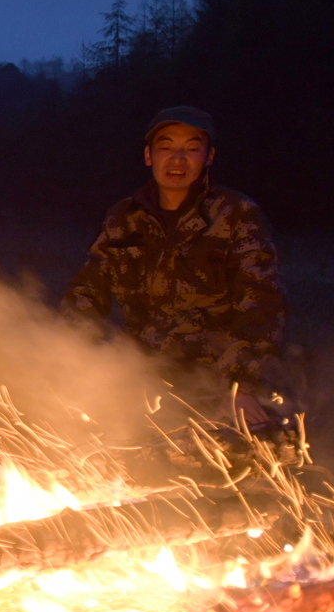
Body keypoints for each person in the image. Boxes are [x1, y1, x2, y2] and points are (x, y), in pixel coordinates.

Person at [61, 106, 287, 423]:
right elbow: (85, 293)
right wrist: (81, 360)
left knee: (245, 446)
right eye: (166, 147)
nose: (177, 159)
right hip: (144, 383)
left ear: (208, 157)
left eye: (191, 149)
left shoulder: (237, 214)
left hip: (219, 386)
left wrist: (242, 385)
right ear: (148, 156)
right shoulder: (124, 219)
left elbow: (262, 304)